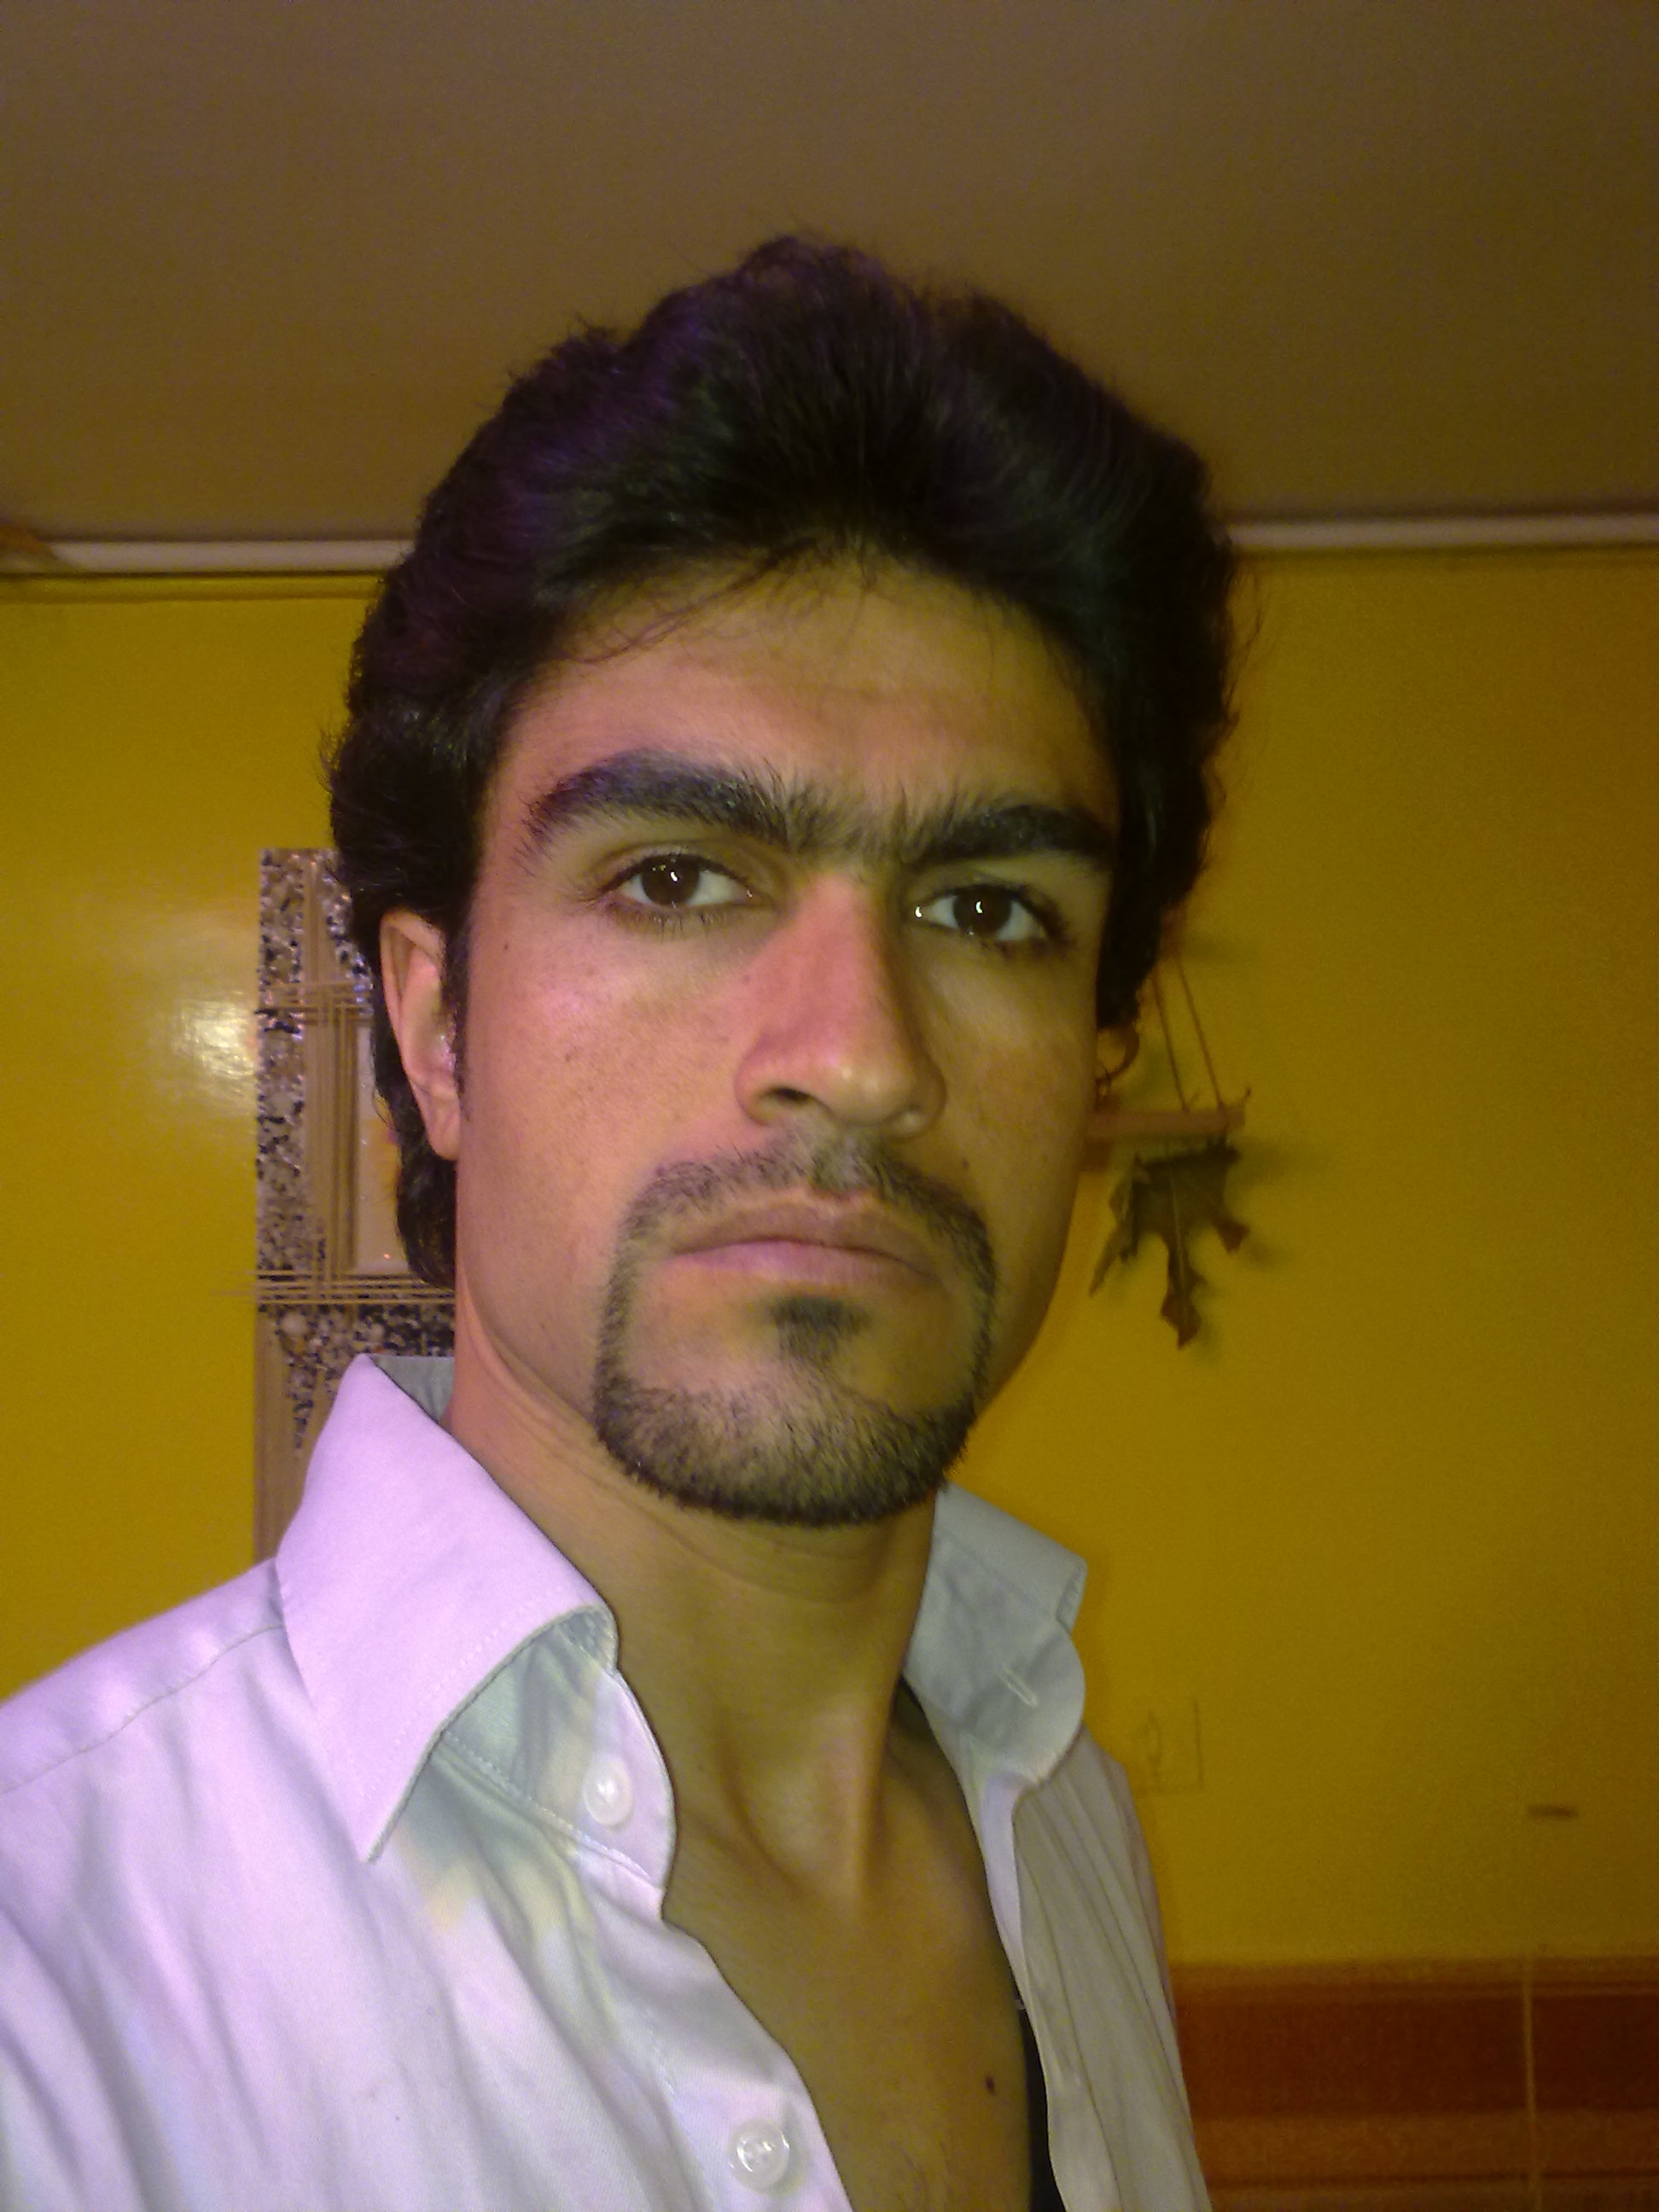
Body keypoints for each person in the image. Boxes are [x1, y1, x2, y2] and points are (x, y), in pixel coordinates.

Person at [0, 238, 1233, 2211]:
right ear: (436, 1032)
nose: (861, 1058)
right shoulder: (53, 1968)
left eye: (988, 909)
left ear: (1090, 1068)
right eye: (675, 878)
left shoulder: (1062, 1819)